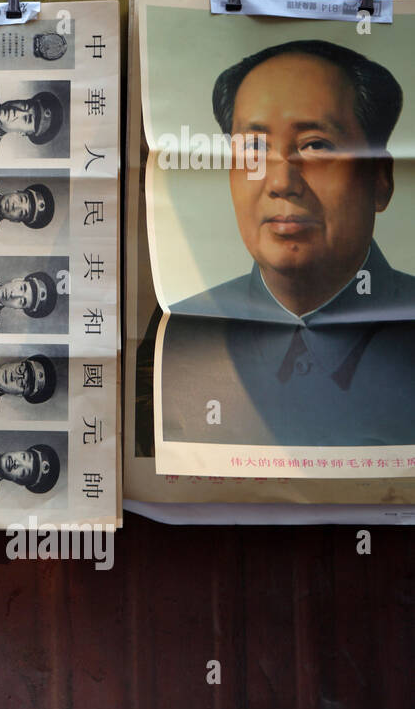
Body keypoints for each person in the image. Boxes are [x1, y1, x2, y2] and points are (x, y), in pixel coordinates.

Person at [160, 39, 415, 446]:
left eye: (315, 146)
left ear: (380, 179)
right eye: (254, 148)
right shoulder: (179, 334)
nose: (281, 183)